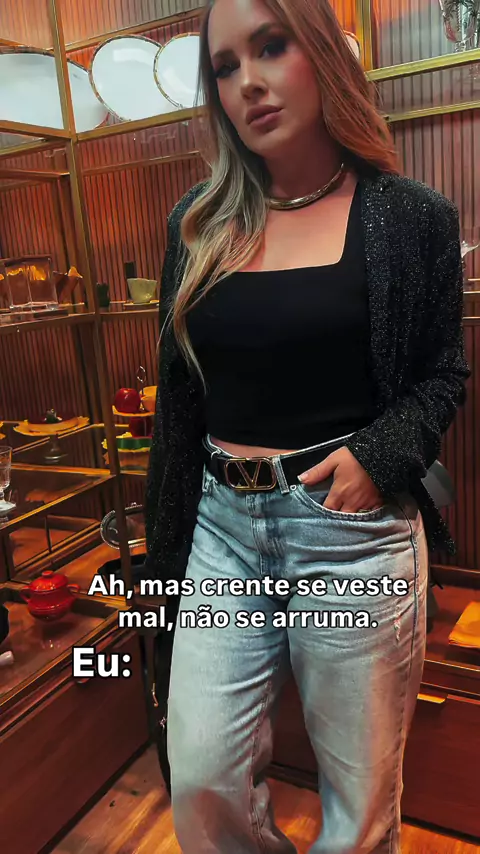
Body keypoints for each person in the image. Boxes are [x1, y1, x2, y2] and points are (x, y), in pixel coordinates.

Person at [144, 0, 470, 851]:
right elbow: (178, 403)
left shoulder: (412, 216)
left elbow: (444, 373)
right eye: (225, 67)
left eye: (270, 46)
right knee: (202, 778)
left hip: (348, 533)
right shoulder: (198, 221)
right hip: (221, 530)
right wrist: (163, 554)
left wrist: (377, 456)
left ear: (321, 52)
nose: (248, 82)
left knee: (358, 809)